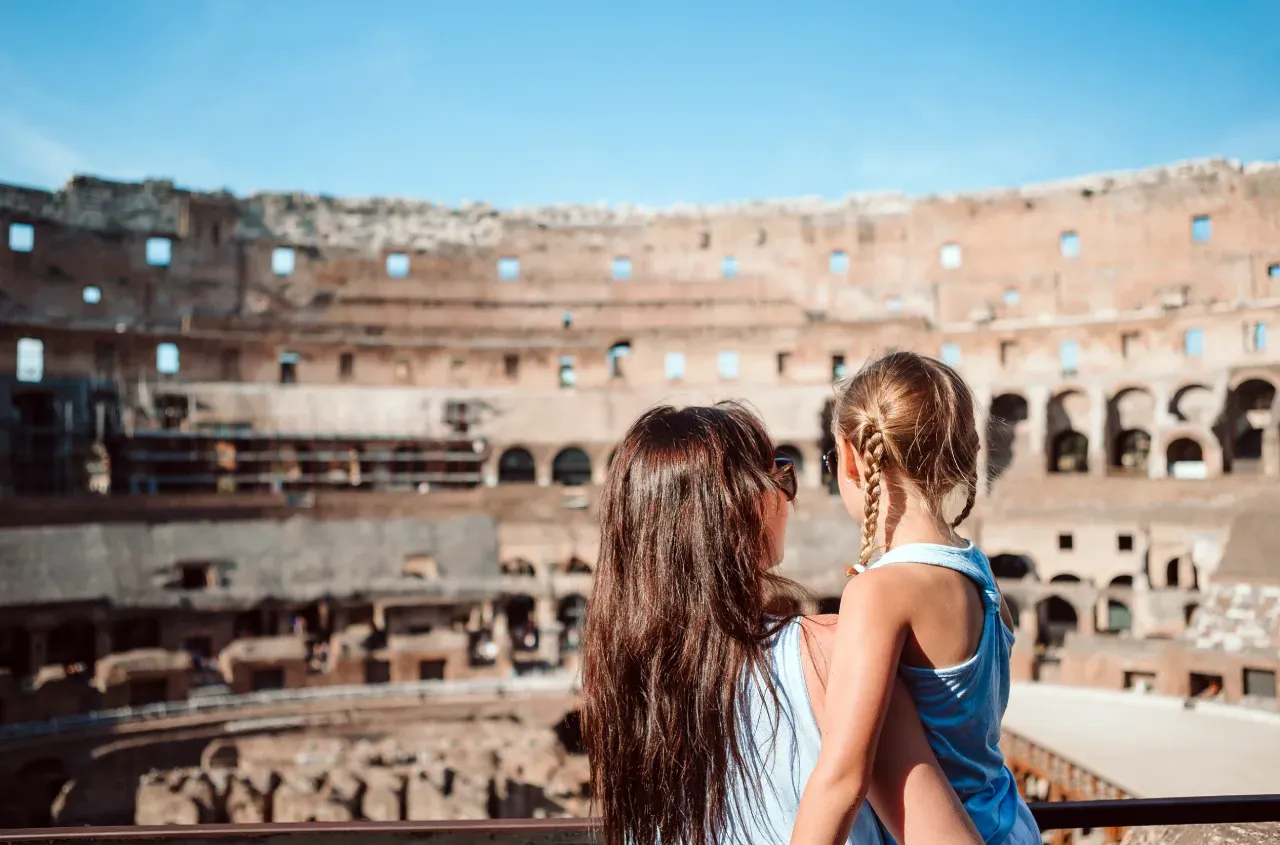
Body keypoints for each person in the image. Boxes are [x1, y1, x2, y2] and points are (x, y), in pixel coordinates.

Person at [582, 403, 983, 845]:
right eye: (783, 479)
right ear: (751, 503)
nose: (789, 500)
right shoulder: (829, 652)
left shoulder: (618, 676)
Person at [792, 351, 1040, 845]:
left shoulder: (879, 592)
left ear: (851, 458)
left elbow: (840, 778)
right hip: (1009, 826)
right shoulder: (981, 575)